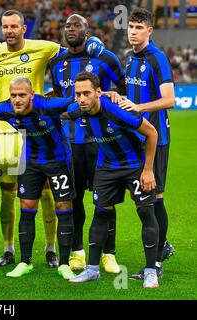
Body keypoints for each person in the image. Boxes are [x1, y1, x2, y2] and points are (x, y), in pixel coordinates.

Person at [0, 9, 105, 268]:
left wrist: (92, 42)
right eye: (5, 26)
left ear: (24, 28)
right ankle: (9, 249)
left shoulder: (44, 47)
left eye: (14, 26)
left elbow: (70, 49)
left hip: (39, 127)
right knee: (9, 193)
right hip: (5, 131)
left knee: (48, 192)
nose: (9, 30)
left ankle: (50, 249)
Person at [0, 76, 78, 279]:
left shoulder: (48, 104)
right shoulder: (5, 109)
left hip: (58, 160)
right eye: (13, 95)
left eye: (22, 95)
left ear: (32, 95)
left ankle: (64, 263)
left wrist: (106, 95)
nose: (17, 99)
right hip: (30, 161)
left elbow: (78, 100)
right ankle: (25, 262)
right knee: (27, 208)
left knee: (63, 207)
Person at [64, 72, 160, 288]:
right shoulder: (77, 109)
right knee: (100, 213)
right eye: (78, 94)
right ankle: (92, 270)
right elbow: (62, 112)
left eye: (86, 93)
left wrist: (148, 170)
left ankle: (151, 271)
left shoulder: (118, 111)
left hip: (134, 165)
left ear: (98, 92)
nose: (81, 99)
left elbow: (152, 133)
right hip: (107, 167)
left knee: (145, 211)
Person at [48, 14, 126, 273]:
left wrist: (114, 97)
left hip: (102, 141)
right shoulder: (56, 62)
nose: (70, 29)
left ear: (87, 29)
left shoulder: (105, 57)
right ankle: (77, 252)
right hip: (72, 143)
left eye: (76, 25)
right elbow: (59, 97)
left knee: (106, 200)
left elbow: (123, 89)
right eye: (67, 25)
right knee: (74, 200)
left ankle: (109, 253)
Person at [109, 8, 175, 279]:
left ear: (149, 31)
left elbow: (170, 99)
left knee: (154, 197)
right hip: (135, 137)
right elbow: (129, 92)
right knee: (144, 200)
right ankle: (163, 245)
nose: (133, 32)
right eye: (131, 27)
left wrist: (139, 107)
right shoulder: (129, 58)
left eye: (139, 27)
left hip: (156, 138)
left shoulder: (158, 58)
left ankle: (157, 259)